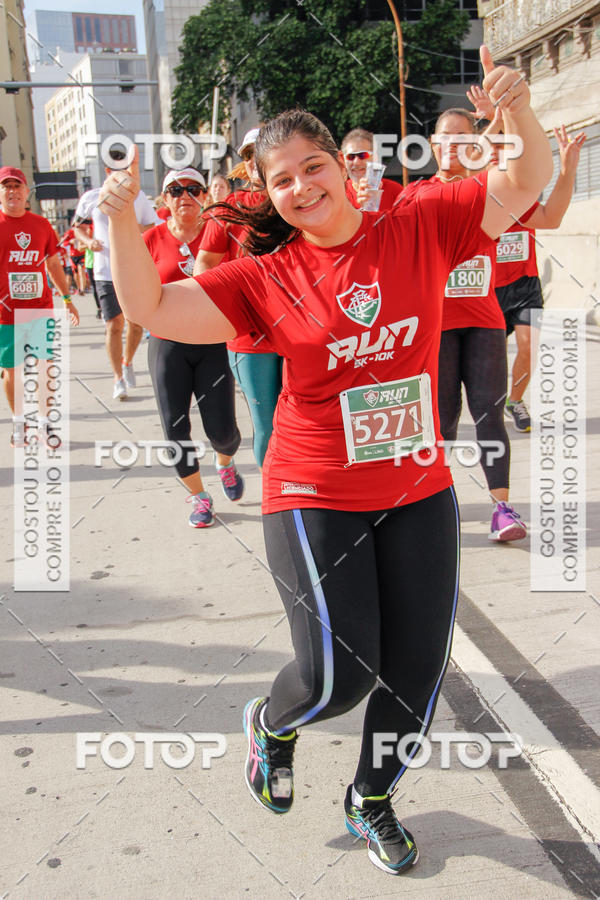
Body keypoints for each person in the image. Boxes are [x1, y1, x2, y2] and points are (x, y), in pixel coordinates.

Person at [99, 48, 551, 874]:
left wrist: (517, 111)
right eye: (282, 180)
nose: (301, 187)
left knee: (415, 672)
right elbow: (152, 305)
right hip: (315, 490)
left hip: (416, 487)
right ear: (267, 194)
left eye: (314, 168)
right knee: (336, 679)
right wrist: (122, 221)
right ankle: (270, 728)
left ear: (344, 172)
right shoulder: (264, 278)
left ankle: (371, 798)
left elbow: (524, 184)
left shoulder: (418, 223)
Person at [403, 105, 528, 542]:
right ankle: (438, 505)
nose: (453, 145)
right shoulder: (416, 194)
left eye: (463, 137)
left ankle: (502, 508)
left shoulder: (485, 189)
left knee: (489, 414)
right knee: (442, 421)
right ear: (433, 145)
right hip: (435, 326)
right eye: (445, 137)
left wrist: (509, 113)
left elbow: (519, 171)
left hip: (484, 321)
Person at [143, 168, 244, 527]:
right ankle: (200, 497)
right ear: (164, 199)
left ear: (204, 195)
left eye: (193, 189)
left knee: (223, 431)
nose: (184, 195)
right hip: (167, 344)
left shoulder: (219, 231)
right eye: (175, 189)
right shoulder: (151, 239)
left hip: (212, 341)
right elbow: (136, 288)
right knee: (175, 429)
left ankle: (225, 461)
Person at [194, 128, 283, 469]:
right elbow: (204, 264)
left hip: (300, 328)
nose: (255, 160)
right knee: (268, 425)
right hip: (250, 337)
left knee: (304, 422)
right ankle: (277, 505)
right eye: (248, 155)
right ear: (244, 164)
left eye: (261, 151)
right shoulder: (230, 208)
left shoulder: (295, 197)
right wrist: (220, 309)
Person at [495, 124, 586, 432]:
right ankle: (490, 407)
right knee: (490, 361)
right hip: (488, 291)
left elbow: (553, 217)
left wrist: (566, 170)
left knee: (528, 345)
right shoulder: (482, 198)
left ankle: (514, 401)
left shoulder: (522, 197)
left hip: (525, 285)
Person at [0, 166, 79, 446]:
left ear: (26, 193)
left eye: (17, 186)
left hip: (40, 308)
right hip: (6, 312)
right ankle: (20, 423)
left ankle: (46, 425)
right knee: (13, 370)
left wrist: (66, 299)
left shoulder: (41, 225)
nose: (12, 191)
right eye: (6, 186)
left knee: (46, 367)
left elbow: (53, 262)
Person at [74, 148, 159, 400]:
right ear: (108, 171)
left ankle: (127, 361)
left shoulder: (139, 197)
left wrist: (128, 225)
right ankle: (117, 378)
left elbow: (151, 226)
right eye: (116, 169)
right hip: (104, 270)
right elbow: (78, 227)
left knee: (135, 323)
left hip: (132, 268)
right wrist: (87, 241)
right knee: (113, 325)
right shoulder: (91, 197)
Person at [341, 128, 403, 211]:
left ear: (375, 158)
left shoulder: (395, 191)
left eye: (362, 155)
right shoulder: (338, 194)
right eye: (350, 157)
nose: (356, 162)